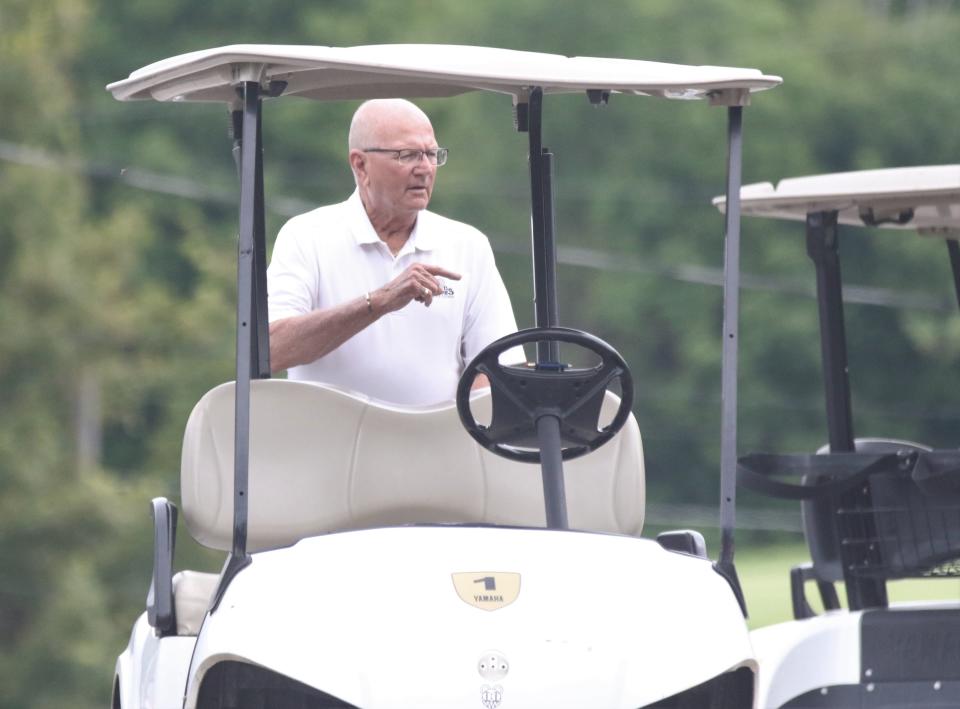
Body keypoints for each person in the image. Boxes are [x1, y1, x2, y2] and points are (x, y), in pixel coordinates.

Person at [267, 98, 522, 406]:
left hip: (435, 448)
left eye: (431, 154)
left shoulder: (468, 245)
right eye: (408, 155)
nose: (425, 168)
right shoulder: (307, 235)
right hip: (331, 450)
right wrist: (380, 301)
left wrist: (462, 432)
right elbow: (272, 349)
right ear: (360, 165)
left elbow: (497, 367)